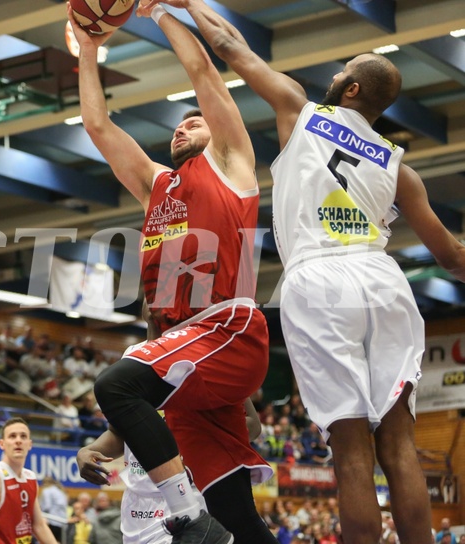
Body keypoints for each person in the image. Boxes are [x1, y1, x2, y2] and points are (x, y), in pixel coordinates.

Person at [150, 1, 465, 542]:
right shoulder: (399, 166)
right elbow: (454, 259)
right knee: (399, 444)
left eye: (345, 69)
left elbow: (228, 44)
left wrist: (177, 5)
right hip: (381, 278)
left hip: (318, 277)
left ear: (350, 90)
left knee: (350, 452)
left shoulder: (301, 110)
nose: (337, 72)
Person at [69, 3, 268, 542]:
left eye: (194, 120)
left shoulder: (231, 163)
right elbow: (97, 124)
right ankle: (207, 520)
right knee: (236, 512)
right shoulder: (156, 186)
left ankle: (185, 517)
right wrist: (89, 49)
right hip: (189, 350)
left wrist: (158, 10)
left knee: (115, 382)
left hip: (228, 326)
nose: (183, 124)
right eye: (179, 124)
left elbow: (204, 73)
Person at [78, 301, 274, 544]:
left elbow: (252, 425)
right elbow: (119, 432)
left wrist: (196, 438)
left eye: (166, 295)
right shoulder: (131, 357)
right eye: (152, 295)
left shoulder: (204, 350)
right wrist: (90, 449)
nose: (157, 302)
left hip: (189, 496)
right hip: (139, 506)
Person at [0, 417, 58, 544]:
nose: (18, 441)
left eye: (23, 436)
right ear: (2, 444)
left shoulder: (30, 478)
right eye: (12, 436)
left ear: (30, 444)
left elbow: (38, 525)